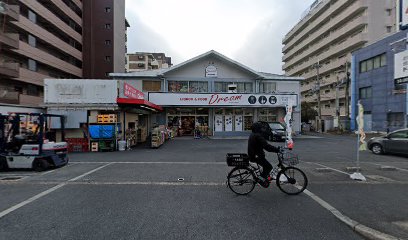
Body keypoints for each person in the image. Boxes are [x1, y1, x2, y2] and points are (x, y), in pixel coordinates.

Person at [247, 122, 281, 188]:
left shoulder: (253, 134)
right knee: (268, 167)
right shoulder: (258, 136)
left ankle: (261, 178)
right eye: (260, 128)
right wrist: (277, 149)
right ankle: (261, 180)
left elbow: (265, 145)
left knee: (265, 168)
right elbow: (267, 146)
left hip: (254, 155)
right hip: (256, 156)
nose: (262, 129)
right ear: (258, 128)